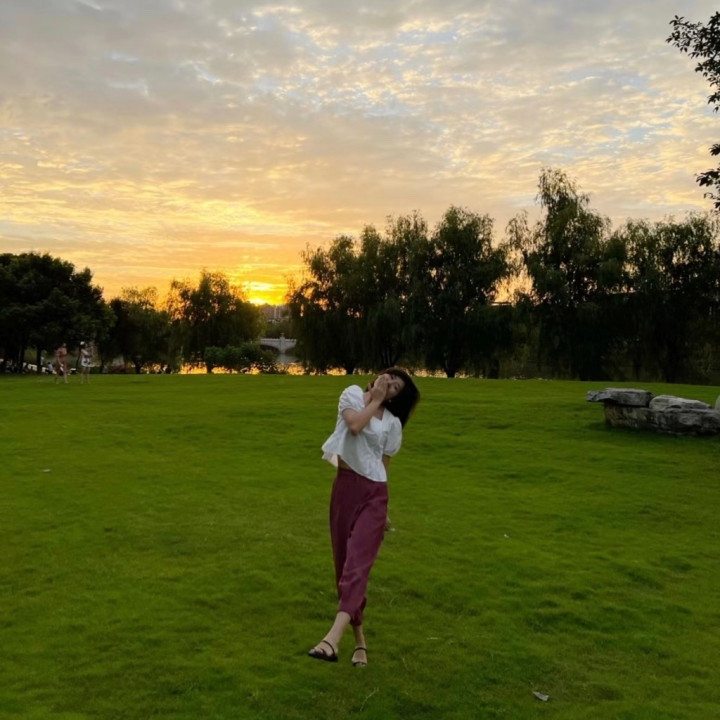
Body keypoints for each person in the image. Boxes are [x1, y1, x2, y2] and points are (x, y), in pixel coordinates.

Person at [307, 367, 420, 667]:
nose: (388, 383)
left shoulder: (392, 423)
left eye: (394, 388)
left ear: (394, 399)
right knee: (343, 568)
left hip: (375, 495)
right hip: (345, 490)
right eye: (389, 377)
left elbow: (383, 466)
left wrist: (384, 511)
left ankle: (331, 640)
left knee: (357, 566)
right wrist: (375, 400)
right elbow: (355, 425)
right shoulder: (352, 395)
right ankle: (360, 641)